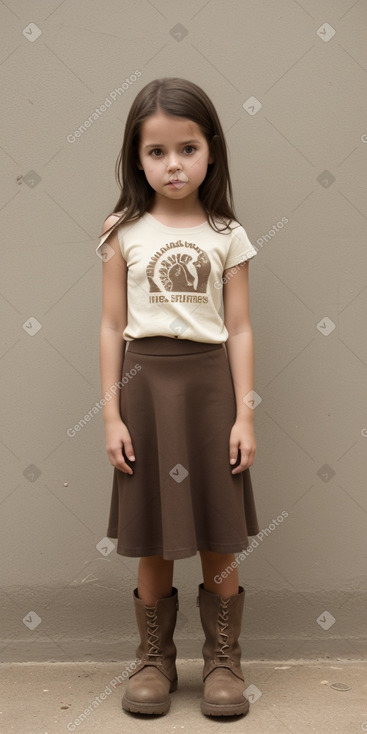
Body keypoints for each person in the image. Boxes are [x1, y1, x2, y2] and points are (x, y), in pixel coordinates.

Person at [96, 77, 260, 718]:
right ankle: (154, 660)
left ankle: (222, 661)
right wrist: (110, 412)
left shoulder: (227, 233)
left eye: (187, 148)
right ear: (137, 159)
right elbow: (111, 326)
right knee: (154, 535)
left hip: (210, 391)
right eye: (156, 152)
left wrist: (246, 413)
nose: (173, 164)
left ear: (210, 151)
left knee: (219, 530)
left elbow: (241, 328)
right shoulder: (122, 231)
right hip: (143, 389)